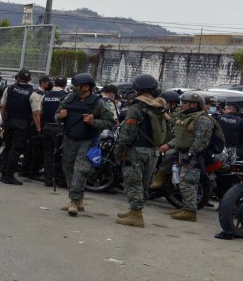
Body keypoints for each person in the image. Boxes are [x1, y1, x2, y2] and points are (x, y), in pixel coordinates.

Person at [56, 72, 117, 215]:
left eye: (77, 85)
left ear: (86, 87)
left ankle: (73, 200)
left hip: (88, 140)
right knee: (68, 168)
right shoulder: (68, 99)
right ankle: (78, 200)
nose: (74, 88)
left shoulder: (98, 102)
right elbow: (57, 116)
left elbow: (110, 122)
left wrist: (93, 122)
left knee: (80, 169)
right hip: (70, 139)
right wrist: (60, 116)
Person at [112, 74, 166, 227]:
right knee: (144, 182)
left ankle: (136, 215)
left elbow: (127, 133)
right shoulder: (159, 106)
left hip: (137, 150)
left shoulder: (136, 107)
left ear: (137, 90)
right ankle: (135, 209)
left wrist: (119, 151)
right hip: (154, 151)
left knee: (132, 181)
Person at [168, 91, 217, 222]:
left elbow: (202, 140)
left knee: (187, 181)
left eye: (185, 103)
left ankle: (190, 211)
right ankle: (187, 207)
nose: (182, 105)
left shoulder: (202, 119)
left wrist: (190, 154)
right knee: (185, 181)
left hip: (194, 155)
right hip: (184, 152)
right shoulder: (187, 117)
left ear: (194, 104)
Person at [0, 68, 35, 186]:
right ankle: (9, 175)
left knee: (8, 147)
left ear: (18, 78)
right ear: (29, 80)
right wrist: (38, 128)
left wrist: (3, 120)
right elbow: (35, 113)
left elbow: (3, 106)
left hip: (9, 123)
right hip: (22, 125)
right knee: (16, 150)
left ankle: (4, 173)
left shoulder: (9, 89)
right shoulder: (32, 93)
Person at [39, 76, 68, 189]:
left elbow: (40, 113)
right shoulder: (66, 97)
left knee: (48, 154)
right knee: (61, 155)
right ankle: (60, 180)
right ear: (65, 85)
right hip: (60, 128)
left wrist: (41, 126)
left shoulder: (46, 95)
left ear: (54, 83)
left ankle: (48, 179)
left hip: (47, 127)